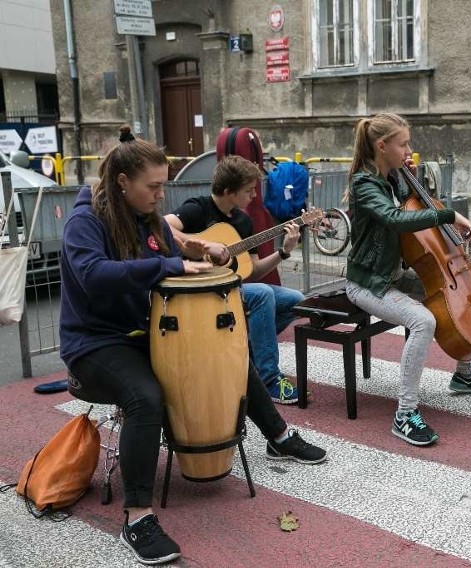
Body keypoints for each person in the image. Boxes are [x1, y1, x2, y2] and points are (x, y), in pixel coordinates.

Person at [59, 137, 326, 566]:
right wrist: (172, 264)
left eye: (164, 185)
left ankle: (277, 436)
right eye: (153, 186)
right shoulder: (86, 221)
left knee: (227, 358)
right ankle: (138, 515)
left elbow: (177, 242)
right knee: (144, 397)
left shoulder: (145, 215)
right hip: (92, 345)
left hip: (138, 335)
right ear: (123, 182)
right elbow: (93, 274)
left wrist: (204, 248)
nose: (161, 195)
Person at [344, 112, 471, 447]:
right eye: (403, 144)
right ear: (382, 146)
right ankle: (405, 415)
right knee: (423, 321)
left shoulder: (395, 178)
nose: (408, 149)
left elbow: (414, 207)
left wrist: (413, 182)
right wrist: (448, 214)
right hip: (369, 283)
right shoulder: (364, 184)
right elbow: (395, 219)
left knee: (457, 298)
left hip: (395, 274)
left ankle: (464, 374)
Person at [165, 155, 305, 405]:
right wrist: (206, 245)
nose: (254, 196)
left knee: (295, 300)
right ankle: (269, 378)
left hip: (233, 287)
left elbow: (253, 271)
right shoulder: (198, 208)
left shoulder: (243, 221)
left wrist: (283, 251)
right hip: (202, 288)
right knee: (262, 294)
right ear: (229, 191)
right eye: (249, 191)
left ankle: (247, 354)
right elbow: (163, 226)